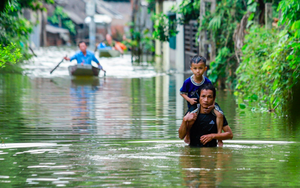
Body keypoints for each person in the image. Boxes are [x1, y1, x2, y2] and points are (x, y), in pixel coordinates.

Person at [180, 55, 224, 146]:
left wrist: (212, 106)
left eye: (200, 68)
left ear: (205, 69)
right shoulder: (188, 82)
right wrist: (189, 100)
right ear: (191, 69)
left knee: (220, 115)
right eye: (195, 68)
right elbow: (182, 93)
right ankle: (187, 135)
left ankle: (219, 137)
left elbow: (212, 93)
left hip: (208, 104)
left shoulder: (207, 81)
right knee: (191, 118)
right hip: (194, 104)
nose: (197, 71)